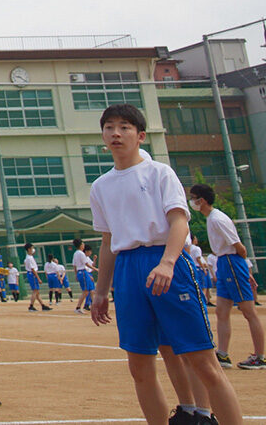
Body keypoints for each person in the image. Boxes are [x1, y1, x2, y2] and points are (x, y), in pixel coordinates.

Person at [89, 104, 241, 425]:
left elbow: (179, 223)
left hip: (166, 263)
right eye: (110, 127)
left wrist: (168, 263)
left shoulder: (159, 172)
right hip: (129, 270)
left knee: (201, 359)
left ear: (141, 135)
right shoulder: (100, 186)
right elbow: (107, 242)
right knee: (140, 365)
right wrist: (101, 291)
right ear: (103, 135)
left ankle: (211, 415)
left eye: (125, 127)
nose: (116, 133)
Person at [191, 183, 264, 370]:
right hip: (224, 263)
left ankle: (260, 356)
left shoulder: (217, 219)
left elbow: (240, 247)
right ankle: (222, 354)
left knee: (248, 310)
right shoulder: (211, 219)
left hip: (231, 262)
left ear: (202, 200)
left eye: (194, 198)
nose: (192, 202)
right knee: (221, 311)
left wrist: (245, 271)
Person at [22, 244, 49, 312]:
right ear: (29, 249)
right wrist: (38, 278)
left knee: (37, 292)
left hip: (31, 274)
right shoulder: (29, 258)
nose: (33, 249)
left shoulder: (29, 257)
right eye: (32, 248)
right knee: (35, 290)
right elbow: (33, 269)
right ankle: (31, 306)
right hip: (32, 275)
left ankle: (43, 305)